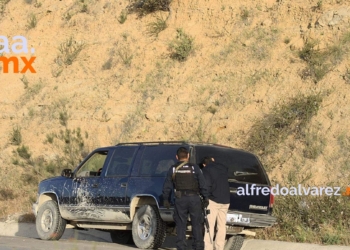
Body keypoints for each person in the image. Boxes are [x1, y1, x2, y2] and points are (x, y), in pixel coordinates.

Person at [162, 147, 209, 250]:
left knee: (181, 225)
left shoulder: (173, 168)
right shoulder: (194, 168)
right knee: (196, 224)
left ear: (177, 157)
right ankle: (198, 247)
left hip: (180, 199)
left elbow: (167, 186)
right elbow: (202, 183)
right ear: (188, 156)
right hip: (194, 199)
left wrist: (166, 199)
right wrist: (206, 198)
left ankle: (181, 247)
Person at [201, 157, 230, 250]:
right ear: (213, 160)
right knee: (221, 226)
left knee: (209, 226)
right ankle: (219, 247)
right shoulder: (224, 168)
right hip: (226, 201)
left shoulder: (206, 169)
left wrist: (206, 197)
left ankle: (208, 248)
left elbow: (207, 185)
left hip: (214, 200)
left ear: (204, 164)